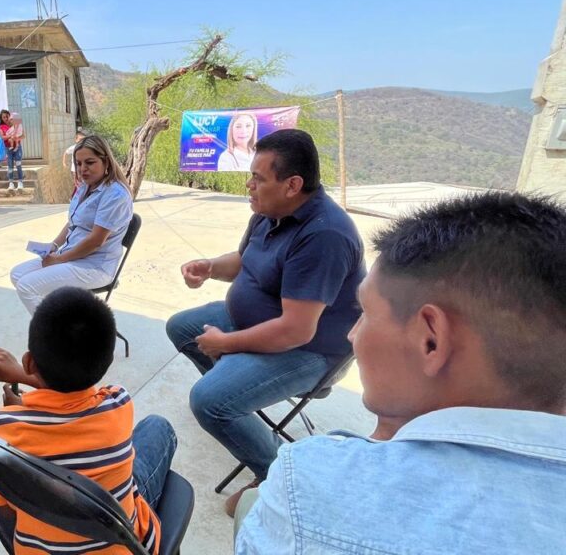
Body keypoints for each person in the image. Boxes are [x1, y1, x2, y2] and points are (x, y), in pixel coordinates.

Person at [235, 191, 566, 554]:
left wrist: (378, 454)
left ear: (430, 341)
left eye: (365, 312)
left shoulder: (310, 486)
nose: (353, 334)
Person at [165, 129, 365, 516]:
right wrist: (209, 267)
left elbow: (296, 330)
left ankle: (278, 474)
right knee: (181, 327)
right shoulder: (269, 211)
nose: (249, 185)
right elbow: (244, 261)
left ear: (293, 185)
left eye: (258, 178)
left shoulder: (323, 236)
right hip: (258, 321)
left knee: (209, 401)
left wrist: (226, 344)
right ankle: (238, 405)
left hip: (311, 351)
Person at [0, 287, 176, 555]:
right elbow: (82, 399)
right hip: (124, 543)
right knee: (158, 427)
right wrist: (27, 377)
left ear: (29, 362)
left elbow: (3, 504)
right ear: (107, 362)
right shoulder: (119, 403)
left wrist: (20, 404)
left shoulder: (4, 427)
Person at [10, 135, 133, 314]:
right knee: (17, 274)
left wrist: (59, 259)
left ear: (106, 161)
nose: (83, 169)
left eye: (90, 162)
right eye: (79, 163)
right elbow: (73, 223)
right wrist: (54, 245)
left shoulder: (115, 195)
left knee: (27, 287)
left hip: (94, 266)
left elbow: (96, 241)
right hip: (73, 256)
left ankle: (56, 330)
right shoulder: (85, 187)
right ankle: (64, 319)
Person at [0, 110, 25, 192]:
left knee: (18, 164)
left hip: (17, 147)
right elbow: (2, 137)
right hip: (8, 148)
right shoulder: (1, 127)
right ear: (1, 118)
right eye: (4, 117)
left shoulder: (15, 123)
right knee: (10, 166)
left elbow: (23, 135)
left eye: (7, 116)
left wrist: (16, 138)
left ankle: (20, 182)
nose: (6, 118)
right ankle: (11, 183)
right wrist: (10, 136)